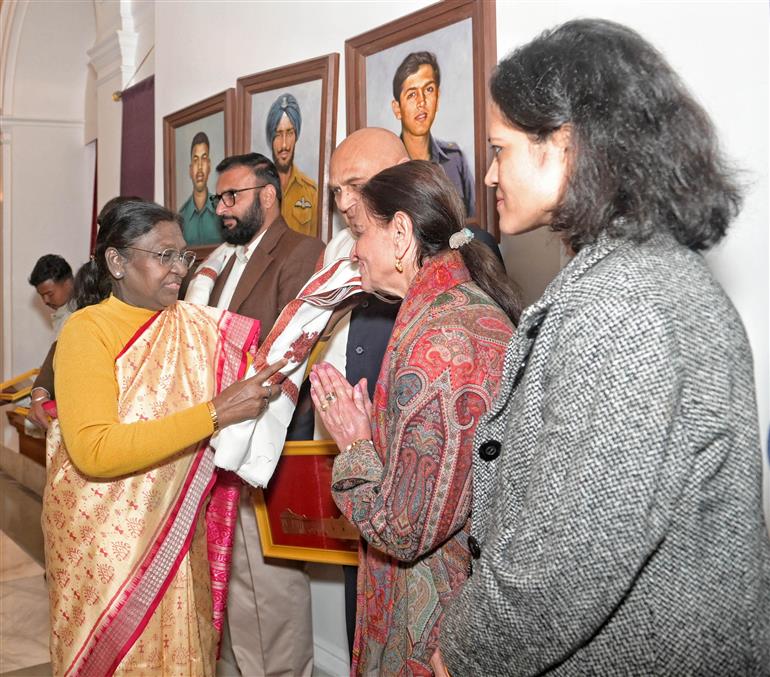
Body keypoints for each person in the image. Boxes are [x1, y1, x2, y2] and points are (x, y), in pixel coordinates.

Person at [437, 19, 770, 674]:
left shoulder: (625, 306)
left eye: (500, 149)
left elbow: (564, 558)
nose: (492, 175)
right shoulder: (643, 275)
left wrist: (466, 651)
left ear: (563, 145)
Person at [42, 199, 284, 676]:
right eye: (163, 256)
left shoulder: (193, 327)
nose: (179, 270)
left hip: (173, 530)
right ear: (116, 261)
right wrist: (215, 413)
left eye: (184, 257)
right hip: (105, 549)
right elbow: (95, 452)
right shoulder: (87, 332)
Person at [311, 160, 518, 675]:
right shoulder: (452, 308)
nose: (353, 248)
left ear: (400, 234)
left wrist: (355, 443)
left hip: (434, 631)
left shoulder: (442, 344)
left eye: (360, 231)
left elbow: (403, 531)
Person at [195, 152, 323, 676]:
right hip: (216, 434)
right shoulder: (219, 258)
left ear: (268, 196)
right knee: (230, 583)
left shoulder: (302, 251)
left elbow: (285, 349)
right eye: (218, 198)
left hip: (263, 443)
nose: (222, 208)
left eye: (233, 196)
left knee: (267, 588)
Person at [391, 51, 475, 217]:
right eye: (412, 94)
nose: (421, 102)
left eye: (428, 90)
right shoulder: (387, 168)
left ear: (438, 97)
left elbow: (474, 222)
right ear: (397, 108)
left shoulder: (455, 159)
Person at [26, 254, 74, 429]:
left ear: (68, 282)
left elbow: (61, 348)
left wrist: (39, 395)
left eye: (49, 294)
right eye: (41, 295)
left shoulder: (82, 312)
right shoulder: (63, 312)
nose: (45, 301)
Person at [266, 93, 318, 237]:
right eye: (278, 134)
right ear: (270, 139)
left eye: (289, 133)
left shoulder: (311, 192)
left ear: (296, 136)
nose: (284, 145)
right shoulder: (258, 190)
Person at [179, 131, 223, 245]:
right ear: (190, 169)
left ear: (209, 166)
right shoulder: (181, 216)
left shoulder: (222, 209)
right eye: (195, 160)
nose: (199, 167)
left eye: (203, 159)